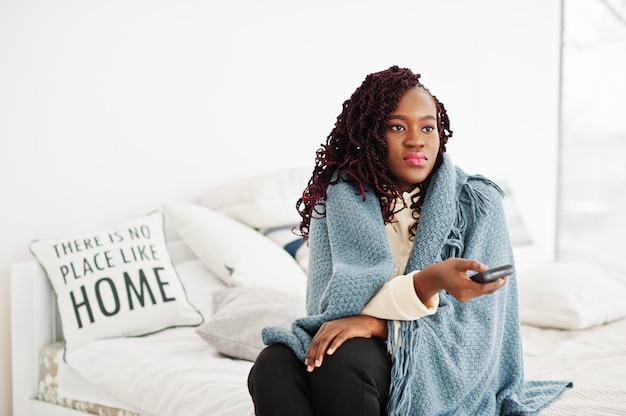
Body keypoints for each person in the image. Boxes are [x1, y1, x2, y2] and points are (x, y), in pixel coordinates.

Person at [248, 65, 572, 415]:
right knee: (272, 365)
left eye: (428, 127)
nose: (416, 139)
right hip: (362, 348)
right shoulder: (340, 199)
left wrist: (377, 324)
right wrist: (411, 294)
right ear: (371, 134)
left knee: (346, 360)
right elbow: (330, 311)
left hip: (438, 361)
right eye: (397, 126)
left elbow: (481, 334)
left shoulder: (477, 203)